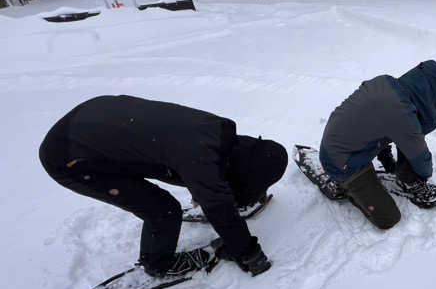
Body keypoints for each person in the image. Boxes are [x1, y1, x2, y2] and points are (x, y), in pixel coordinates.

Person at [39, 95, 288, 277]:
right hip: (69, 157)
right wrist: (247, 252)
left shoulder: (218, 131)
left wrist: (216, 191)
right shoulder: (199, 159)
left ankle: (220, 191)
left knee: (176, 168)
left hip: (95, 122)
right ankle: (158, 264)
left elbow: (205, 170)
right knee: (163, 209)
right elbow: (218, 204)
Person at [319, 60, 436, 229]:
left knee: (407, 131)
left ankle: (404, 178)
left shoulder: (386, 83)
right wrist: (424, 175)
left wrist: (385, 155)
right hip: (341, 161)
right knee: (388, 218)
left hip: (339, 142)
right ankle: (342, 184)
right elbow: (418, 153)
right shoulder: (402, 113)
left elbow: (374, 121)